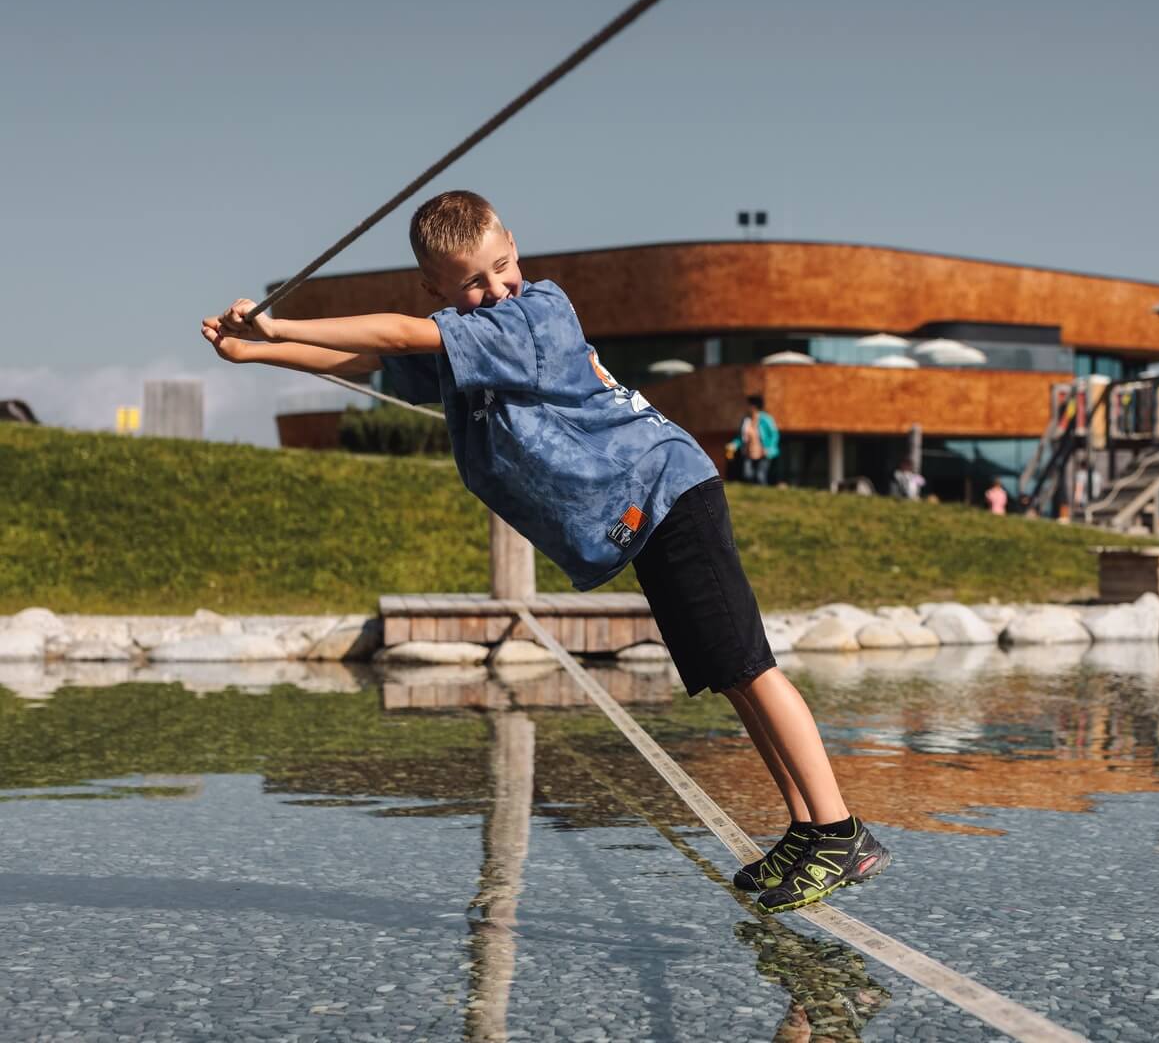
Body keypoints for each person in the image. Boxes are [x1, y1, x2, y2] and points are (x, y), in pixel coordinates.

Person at [199, 190, 888, 913]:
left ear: (515, 246)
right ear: (437, 288)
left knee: (749, 665)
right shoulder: (466, 336)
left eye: (503, 266)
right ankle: (809, 830)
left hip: (667, 490)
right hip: (645, 510)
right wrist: (254, 350)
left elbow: (399, 336)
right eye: (473, 281)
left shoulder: (536, 314)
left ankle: (840, 830)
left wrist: (279, 320)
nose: (497, 287)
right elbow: (366, 357)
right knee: (728, 674)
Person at [725, 394, 778, 486]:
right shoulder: (746, 420)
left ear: (754, 406)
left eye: (748, 405)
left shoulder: (766, 419)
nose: (746, 407)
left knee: (760, 475)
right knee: (747, 474)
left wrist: (769, 448)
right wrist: (734, 444)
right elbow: (741, 437)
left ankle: (763, 494)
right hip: (748, 451)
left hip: (763, 451)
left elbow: (774, 435)